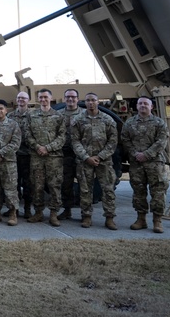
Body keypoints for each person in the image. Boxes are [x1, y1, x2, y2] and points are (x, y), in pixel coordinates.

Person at [121, 96, 170, 234]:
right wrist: (135, 154)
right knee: (138, 192)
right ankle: (141, 219)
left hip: (155, 163)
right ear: (136, 106)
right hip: (136, 163)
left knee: (158, 192)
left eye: (145, 104)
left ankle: (157, 221)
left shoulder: (159, 123)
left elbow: (161, 141)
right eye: (140, 103)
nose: (143, 105)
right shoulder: (129, 123)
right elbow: (125, 140)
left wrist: (146, 154)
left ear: (151, 107)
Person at [70, 93, 119, 230]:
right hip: (84, 161)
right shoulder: (78, 120)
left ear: (98, 102)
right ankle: (86, 217)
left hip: (104, 161)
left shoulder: (108, 120)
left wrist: (100, 156)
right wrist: (86, 157)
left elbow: (113, 141)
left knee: (108, 189)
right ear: (84, 102)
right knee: (85, 190)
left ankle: (109, 218)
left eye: (93, 100)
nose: (91, 103)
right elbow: (75, 141)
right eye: (88, 100)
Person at [24, 89, 66, 226]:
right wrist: (37, 147)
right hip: (37, 157)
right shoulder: (32, 115)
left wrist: (48, 148)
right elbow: (27, 134)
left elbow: (62, 136)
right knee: (37, 186)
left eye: (45, 97)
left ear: (51, 98)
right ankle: (38, 213)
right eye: (40, 97)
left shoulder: (58, 116)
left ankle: (54, 214)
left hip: (54, 157)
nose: (43, 99)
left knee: (54, 186)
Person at [59, 88, 84, 220]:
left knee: (85, 183)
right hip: (65, 153)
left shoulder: (84, 114)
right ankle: (67, 209)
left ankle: (85, 213)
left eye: (73, 97)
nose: (70, 99)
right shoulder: (57, 114)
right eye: (68, 97)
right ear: (64, 99)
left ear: (77, 99)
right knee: (66, 183)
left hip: (82, 154)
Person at [10, 91, 33, 218]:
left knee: (28, 183)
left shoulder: (33, 115)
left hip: (29, 154)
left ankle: (28, 208)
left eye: (23, 98)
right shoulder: (11, 116)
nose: (21, 100)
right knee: (14, 184)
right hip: (14, 155)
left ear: (28, 100)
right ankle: (15, 209)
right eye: (19, 98)